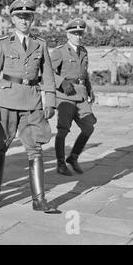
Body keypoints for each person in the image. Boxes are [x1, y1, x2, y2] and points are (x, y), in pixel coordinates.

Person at [0, 0, 60, 213]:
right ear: (13, 19)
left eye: (28, 17)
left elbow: (47, 74)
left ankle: (39, 199)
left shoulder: (41, 43)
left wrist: (51, 101)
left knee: (35, 148)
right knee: (1, 144)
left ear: (32, 19)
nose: (24, 21)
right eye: (20, 17)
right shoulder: (3, 43)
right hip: (7, 101)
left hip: (32, 101)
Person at [51, 18, 96, 176]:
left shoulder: (83, 51)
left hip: (81, 94)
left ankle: (73, 157)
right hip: (65, 96)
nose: (78, 37)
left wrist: (89, 89)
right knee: (63, 130)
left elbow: (84, 74)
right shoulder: (59, 51)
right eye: (74, 33)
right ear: (68, 34)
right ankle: (61, 163)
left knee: (89, 126)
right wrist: (61, 82)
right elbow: (47, 71)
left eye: (80, 34)